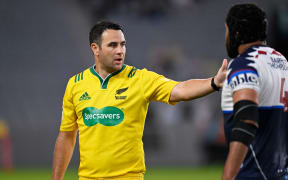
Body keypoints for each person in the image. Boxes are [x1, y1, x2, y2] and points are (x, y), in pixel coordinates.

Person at [52, 21, 227, 180]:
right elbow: (67, 136)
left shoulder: (140, 79)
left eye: (122, 44)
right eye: (112, 45)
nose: (120, 50)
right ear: (95, 49)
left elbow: (179, 89)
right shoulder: (75, 84)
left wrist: (213, 82)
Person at [221, 3, 288, 180]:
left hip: (252, 174)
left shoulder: (244, 63)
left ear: (237, 34)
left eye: (226, 30)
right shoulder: (282, 61)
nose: (225, 36)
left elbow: (246, 118)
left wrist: (228, 175)